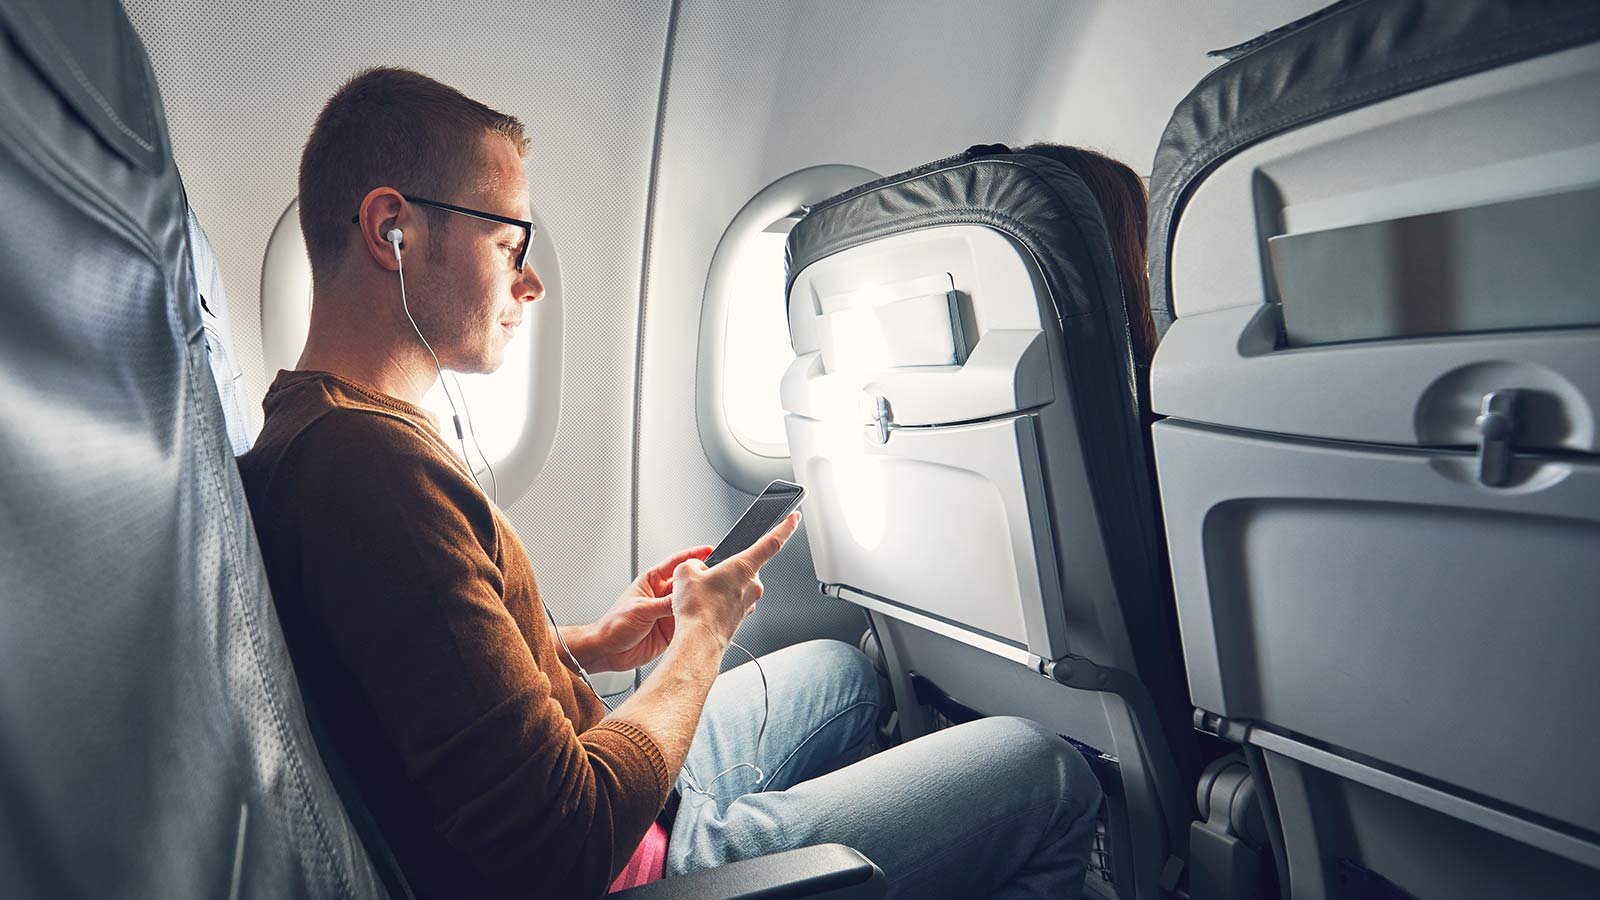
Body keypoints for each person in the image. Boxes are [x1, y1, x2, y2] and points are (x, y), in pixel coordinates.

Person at [237, 67, 1103, 900]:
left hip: (611, 785)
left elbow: (423, 670)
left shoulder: (328, 429)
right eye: (509, 245)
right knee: (1047, 774)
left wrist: (584, 645)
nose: (530, 282)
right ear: (394, 229)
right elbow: (563, 846)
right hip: (635, 861)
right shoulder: (373, 475)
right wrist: (702, 638)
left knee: (845, 674)